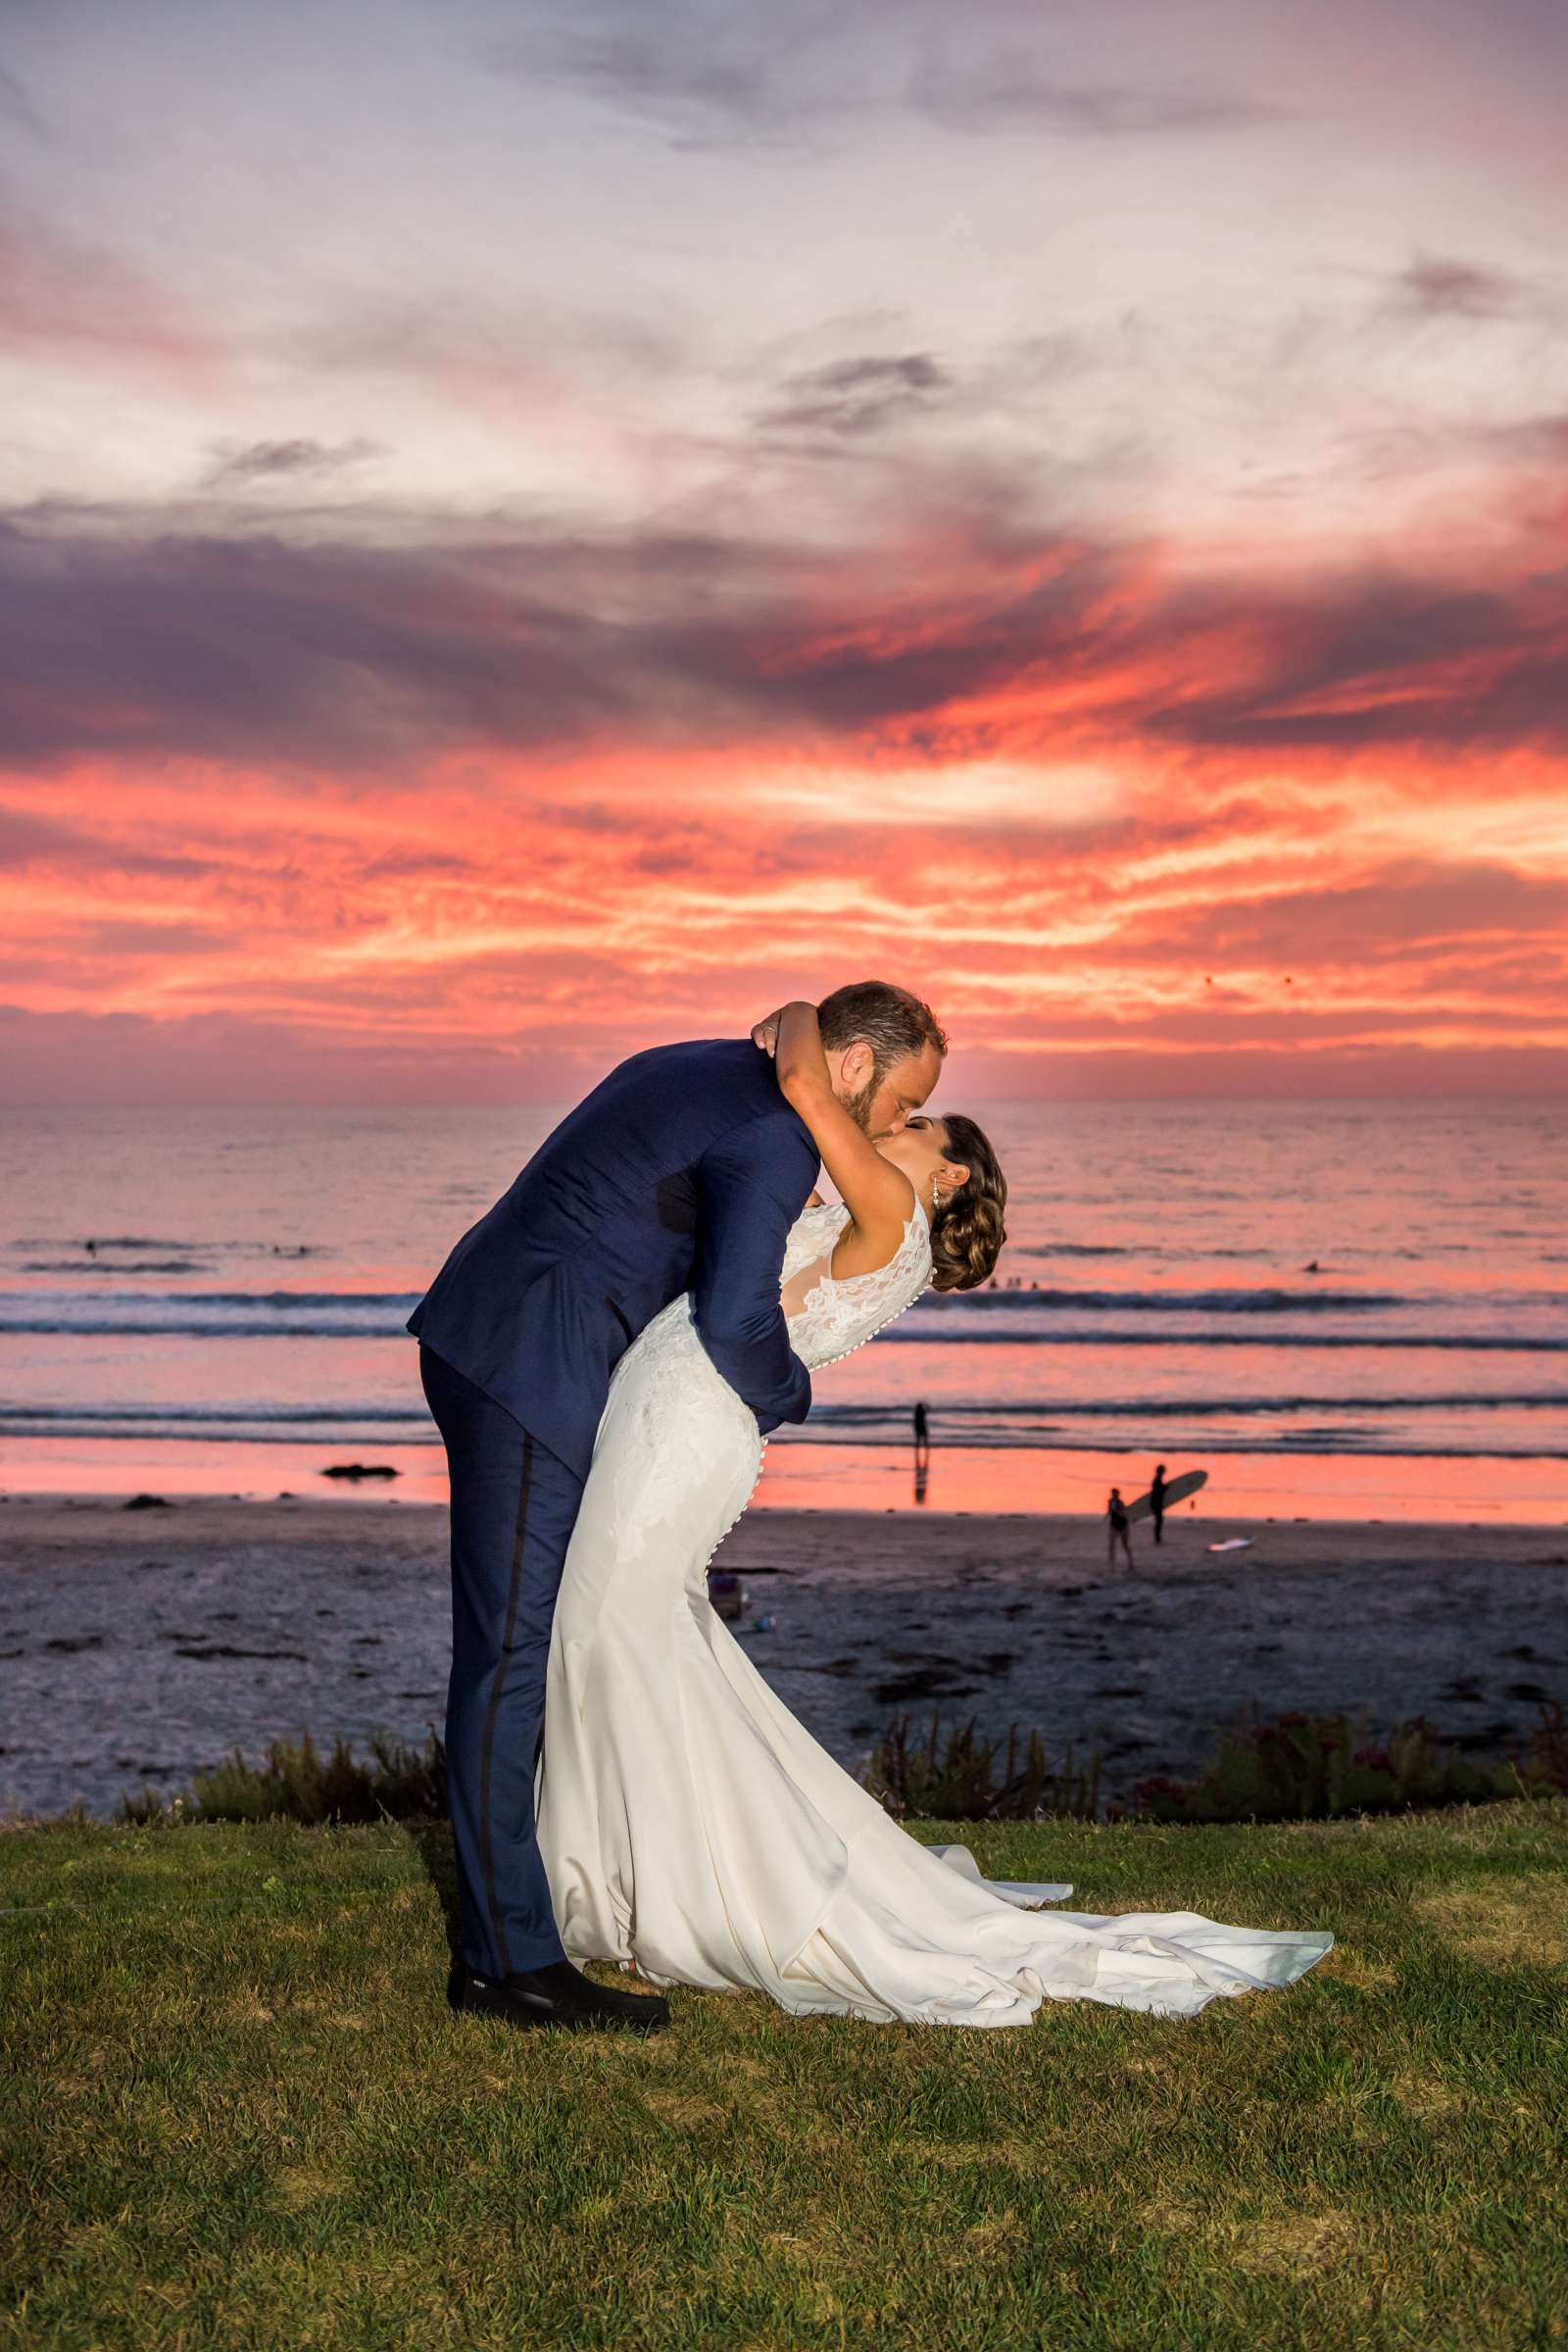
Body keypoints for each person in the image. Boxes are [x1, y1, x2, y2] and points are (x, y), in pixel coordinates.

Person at [531, 1004, 1332, 2027]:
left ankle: (660, 1887)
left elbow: (812, 1092)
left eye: (917, 1124)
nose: (898, 1126)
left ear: (946, 1175)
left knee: (612, 1634)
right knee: (624, 1639)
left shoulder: (892, 1214)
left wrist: (805, 1017)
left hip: (682, 1433)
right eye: (907, 1110)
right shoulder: (876, 1214)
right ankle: (629, 1871)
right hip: (672, 1419)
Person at [411, 980, 947, 2034]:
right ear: (850, 1068)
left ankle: (518, 1932)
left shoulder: (698, 1061)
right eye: (897, 1104)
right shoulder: (774, 1132)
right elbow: (739, 1320)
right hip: (530, 1360)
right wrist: (794, 1392)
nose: (886, 1132)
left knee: (521, 1648)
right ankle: (507, 1964)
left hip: (505, 1335)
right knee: (510, 1658)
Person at [1106, 1486, 1135, 1573]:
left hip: (1123, 1525)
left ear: (1118, 1494)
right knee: (1111, 1545)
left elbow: (1124, 1514)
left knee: (1125, 1545)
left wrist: (1119, 1512)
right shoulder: (1110, 1501)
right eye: (1113, 1493)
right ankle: (1112, 1564)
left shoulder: (1121, 1503)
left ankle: (1130, 1563)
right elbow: (1110, 1511)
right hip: (1114, 1525)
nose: (1114, 1495)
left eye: (1115, 1493)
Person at [1151, 1462, 1167, 1546]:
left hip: (1156, 1502)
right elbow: (1158, 1491)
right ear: (1160, 1471)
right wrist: (1165, 1488)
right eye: (1163, 1471)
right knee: (1159, 1521)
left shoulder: (1157, 1479)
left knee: (1159, 1521)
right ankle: (1157, 1538)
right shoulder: (1157, 1479)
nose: (1164, 1473)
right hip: (1156, 1503)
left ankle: (1157, 1538)